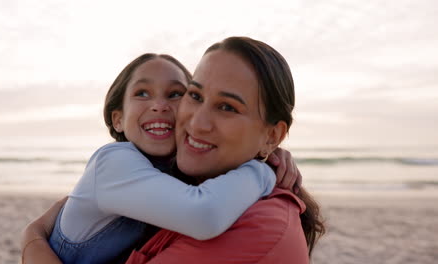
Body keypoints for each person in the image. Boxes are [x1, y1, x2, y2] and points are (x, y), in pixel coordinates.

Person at [20, 52, 301, 264]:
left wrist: (265, 148)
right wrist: (260, 170)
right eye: (142, 93)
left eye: (176, 94)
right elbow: (203, 214)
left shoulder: (169, 171)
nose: (159, 106)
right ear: (118, 119)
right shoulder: (114, 162)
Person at [123, 36, 325, 263]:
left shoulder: (260, 227)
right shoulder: (172, 184)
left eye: (227, 107)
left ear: (272, 135)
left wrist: (262, 169)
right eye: (195, 96)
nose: (198, 123)